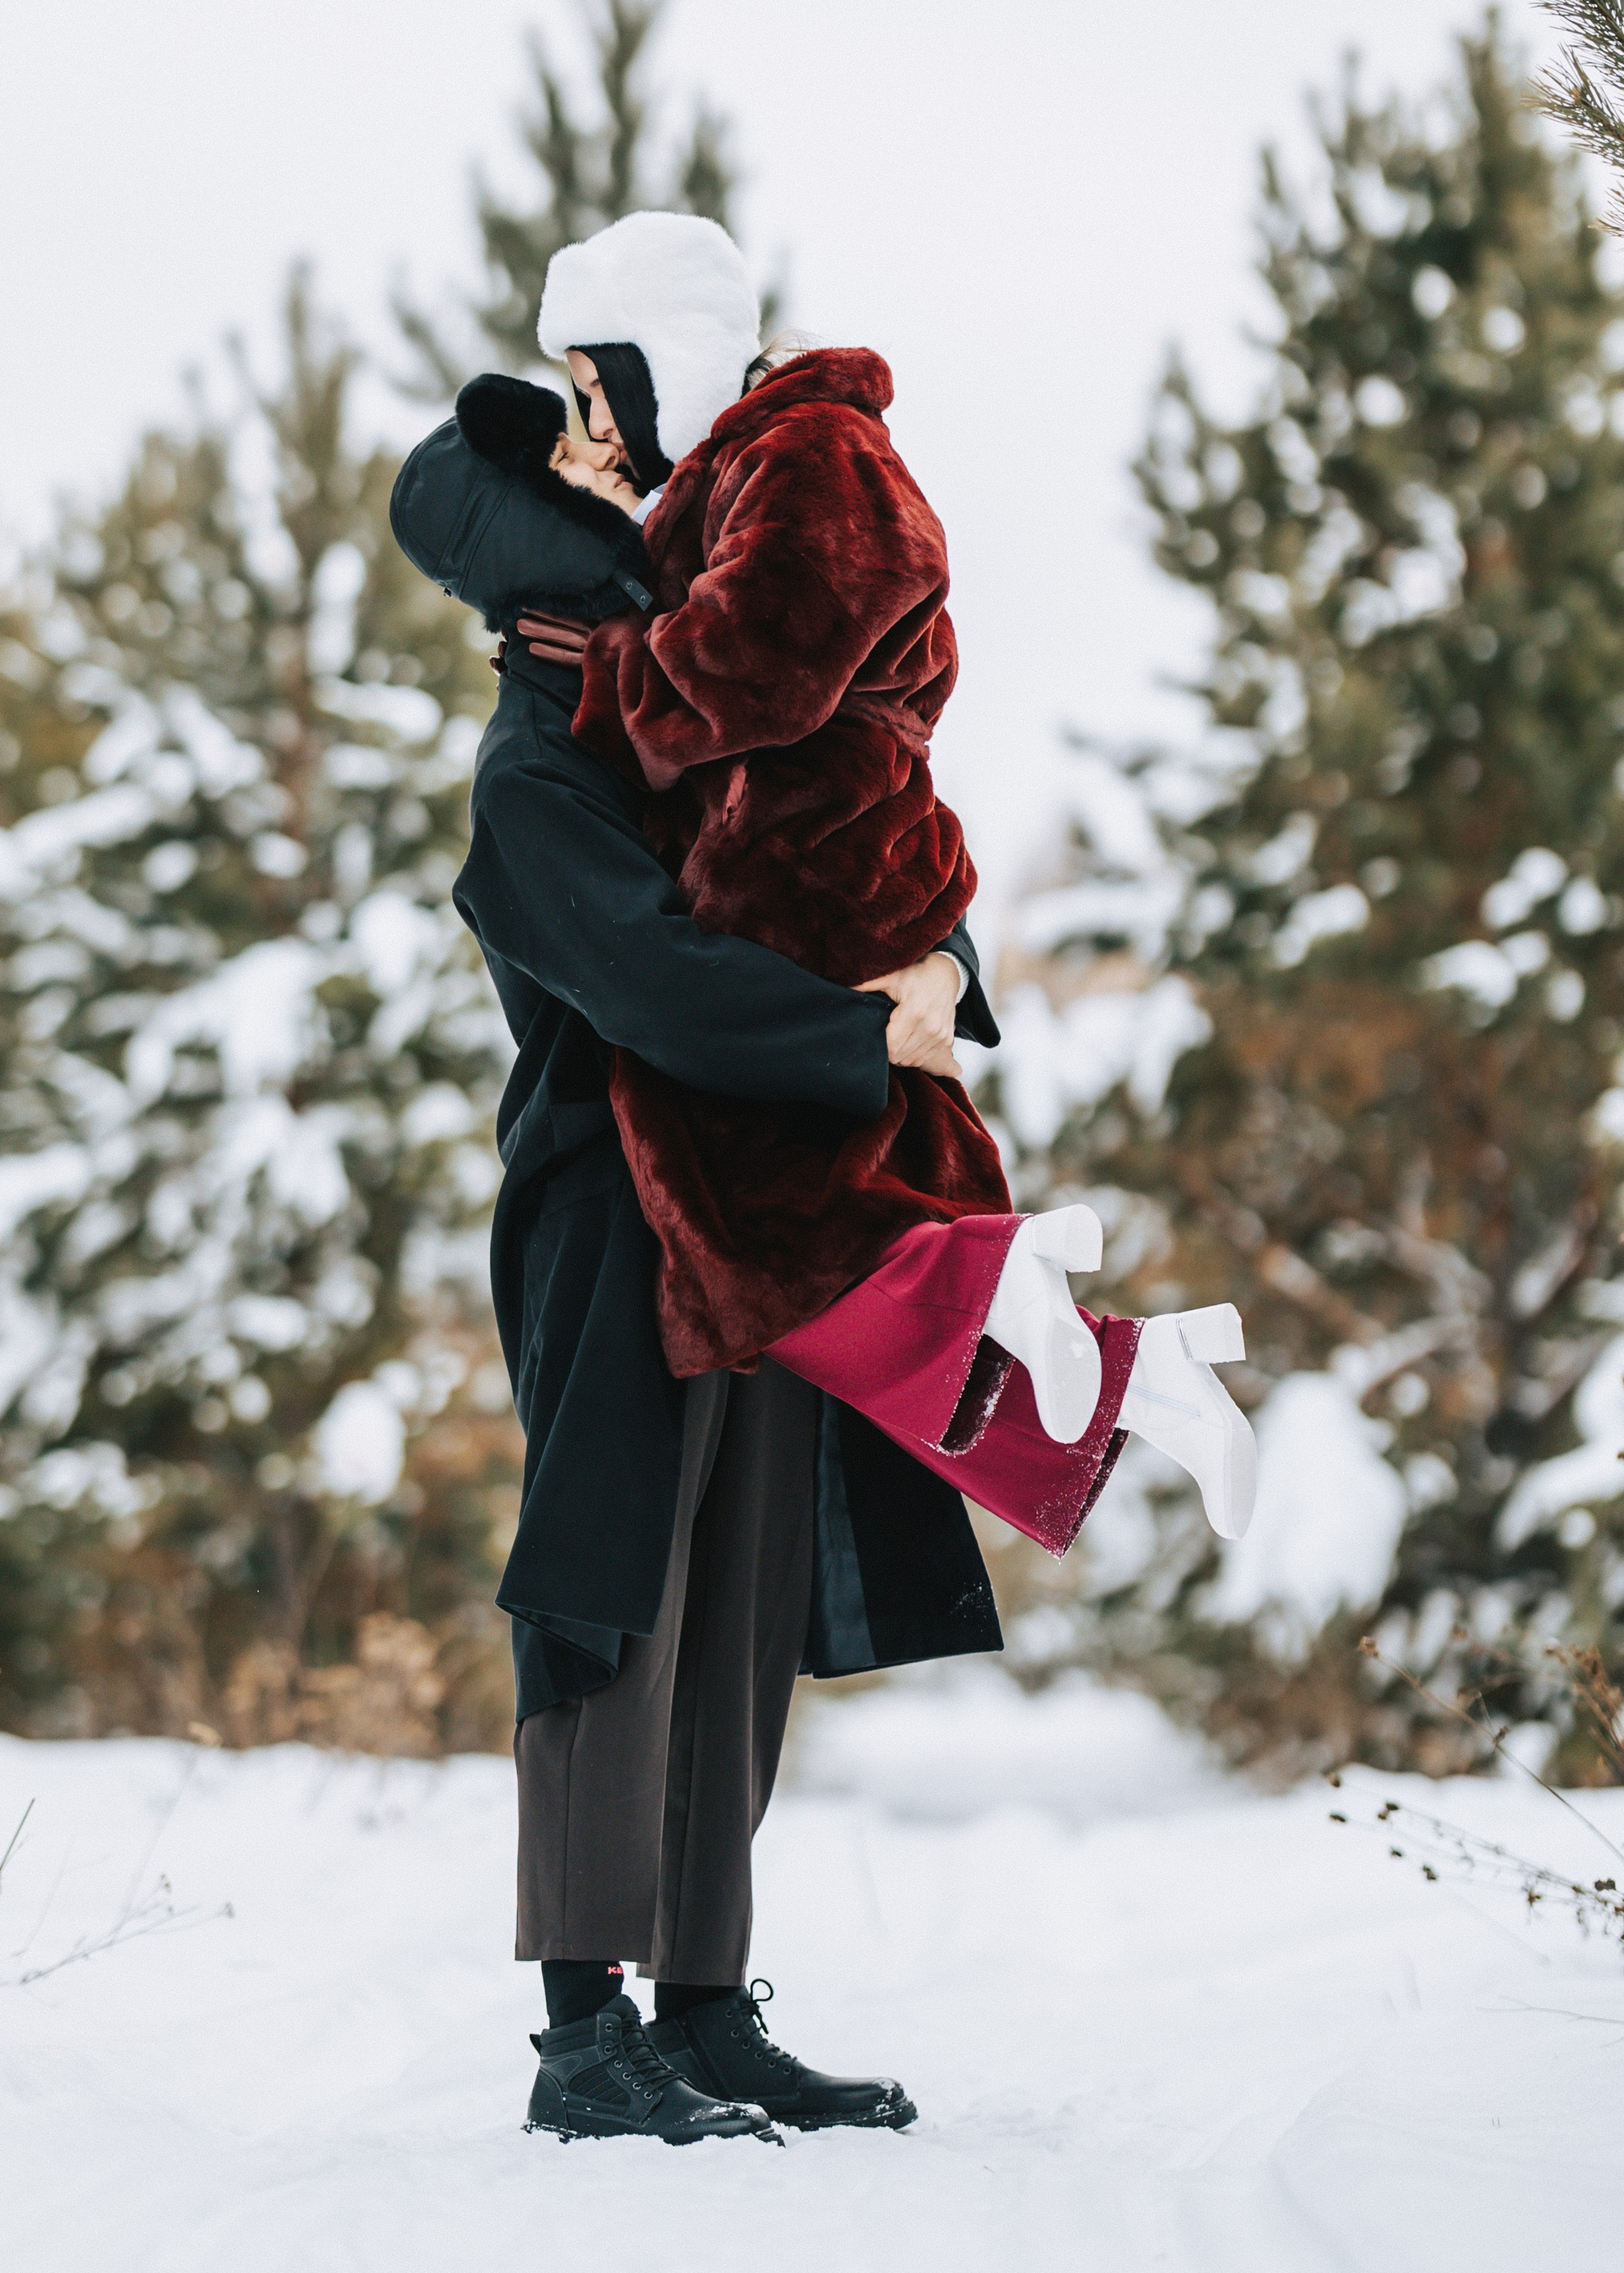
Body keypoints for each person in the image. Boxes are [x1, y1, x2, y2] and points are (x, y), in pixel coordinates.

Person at [392, 394, 1024, 2143]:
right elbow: (653, 985)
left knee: (740, 1606)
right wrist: (869, 1042)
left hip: (761, 1210)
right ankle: (582, 2034)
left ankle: (701, 2002)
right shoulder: (531, 774)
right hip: (606, 1211)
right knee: (607, 1602)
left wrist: (939, 980)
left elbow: (860, 842)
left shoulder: (709, 749)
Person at [530, 211, 1257, 1542]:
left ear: (658, 359)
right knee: (838, 1201)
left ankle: (999, 1289)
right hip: (830, 849)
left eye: (596, 387)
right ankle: (1112, 1370)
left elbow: (768, 656)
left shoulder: (814, 446)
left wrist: (607, 659)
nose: (594, 425)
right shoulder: (765, 461)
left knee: (744, 1199)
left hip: (815, 852)